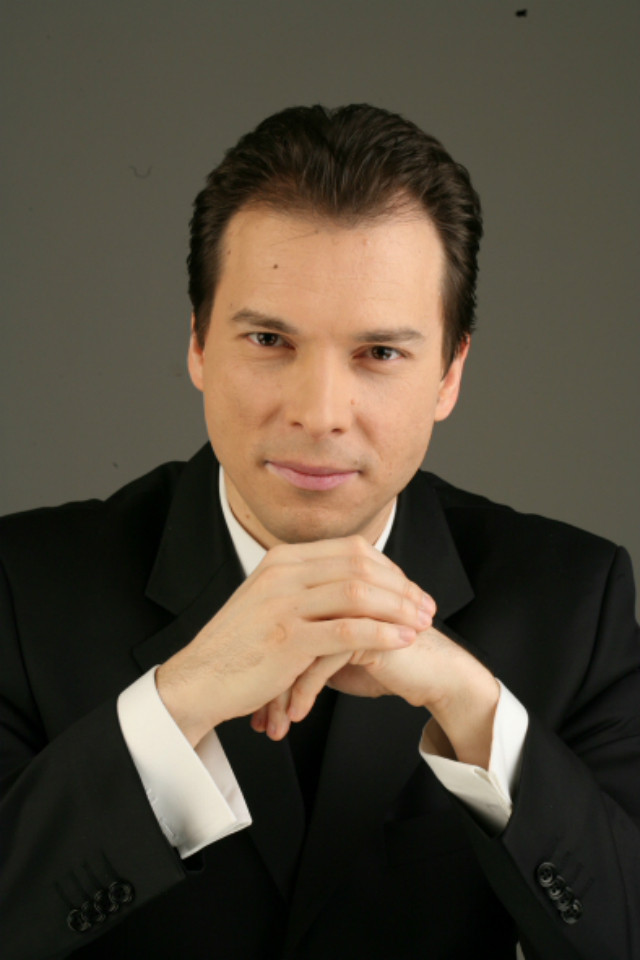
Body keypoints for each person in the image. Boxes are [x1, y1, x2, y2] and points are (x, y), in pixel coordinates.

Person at [1, 104, 638, 960]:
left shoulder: (575, 600)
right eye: (269, 339)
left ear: (449, 374)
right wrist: (176, 703)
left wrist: (475, 710)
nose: (319, 414)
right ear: (198, 345)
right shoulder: (19, 586)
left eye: (380, 353)